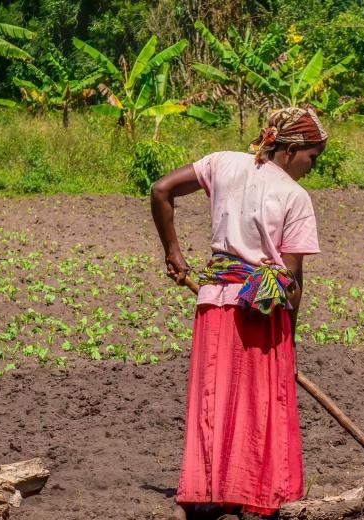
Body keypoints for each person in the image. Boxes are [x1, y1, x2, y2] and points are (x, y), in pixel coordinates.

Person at [149, 107, 327, 519]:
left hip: (214, 303)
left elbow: (161, 190)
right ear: (290, 149)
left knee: (214, 399)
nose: (312, 168)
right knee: (259, 405)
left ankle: (209, 492)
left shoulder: (222, 163)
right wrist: (290, 339)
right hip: (261, 311)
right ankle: (254, 494)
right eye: (312, 158)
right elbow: (293, 278)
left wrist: (173, 253)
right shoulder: (294, 197)